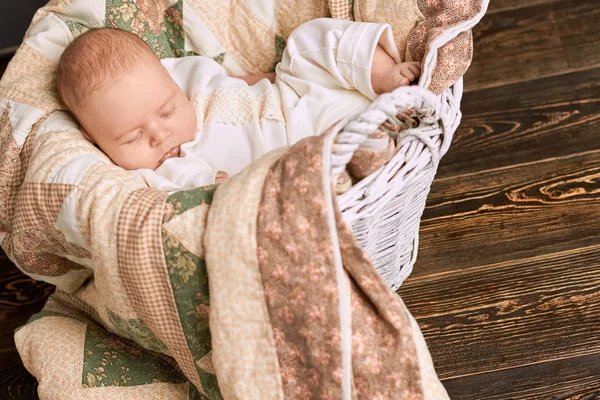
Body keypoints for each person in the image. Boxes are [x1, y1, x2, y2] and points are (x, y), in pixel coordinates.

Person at [56, 18, 421, 191]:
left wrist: (267, 80)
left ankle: (384, 77)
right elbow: (186, 194)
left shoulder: (176, 79)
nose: (159, 134)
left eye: (167, 111)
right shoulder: (158, 171)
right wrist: (215, 185)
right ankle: (370, 145)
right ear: (93, 139)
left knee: (307, 42)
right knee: (326, 164)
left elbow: (233, 80)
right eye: (131, 137)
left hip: (298, 100)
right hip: (302, 154)